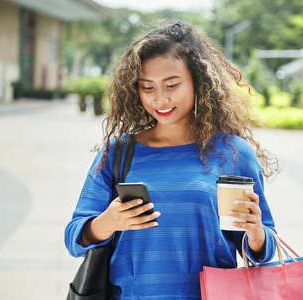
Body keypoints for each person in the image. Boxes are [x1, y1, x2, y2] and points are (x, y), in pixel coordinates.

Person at [65, 21, 280, 299]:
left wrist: (256, 233)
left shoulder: (232, 152)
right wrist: (108, 221)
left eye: (172, 84)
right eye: (147, 87)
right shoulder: (119, 152)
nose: (160, 99)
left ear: (198, 83)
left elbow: (264, 248)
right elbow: (74, 238)